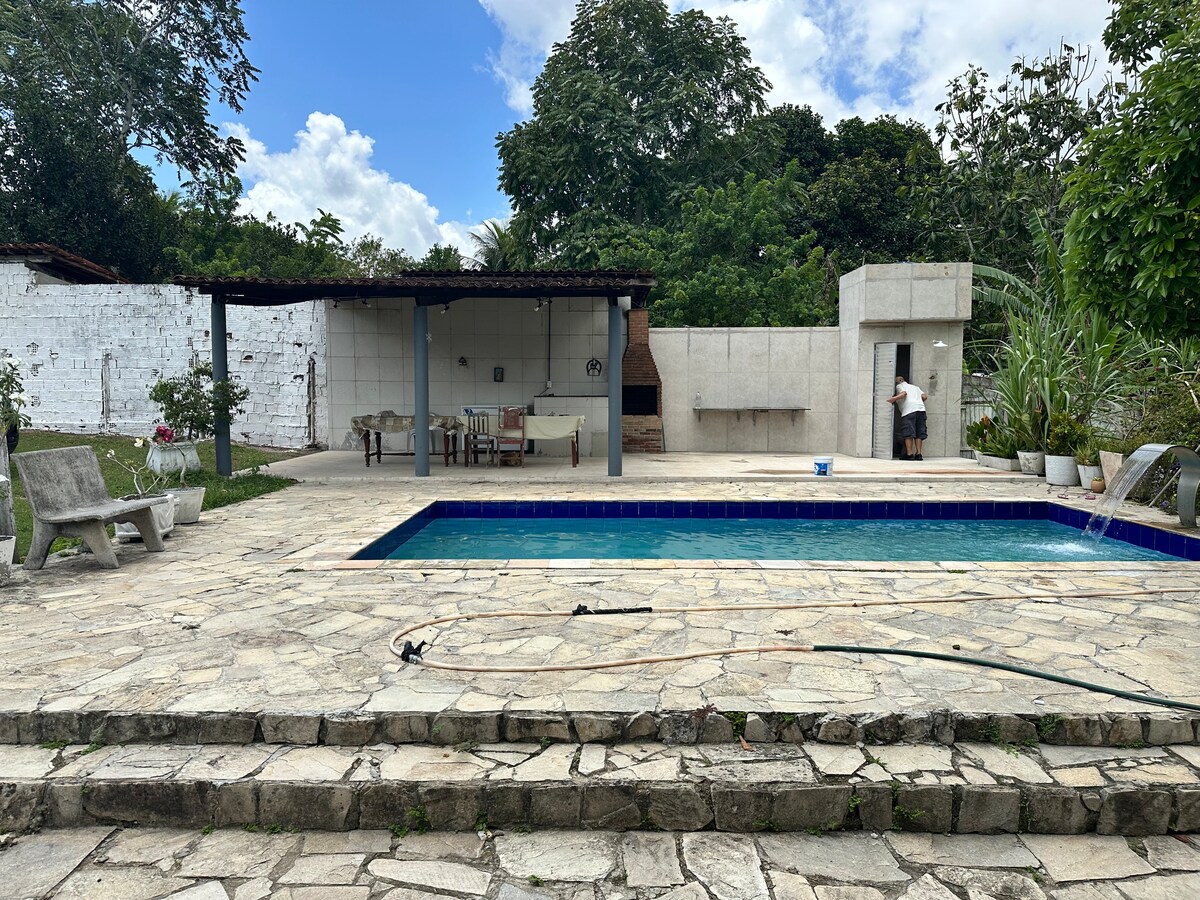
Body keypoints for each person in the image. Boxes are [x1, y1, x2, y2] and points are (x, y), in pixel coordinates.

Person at [887, 375, 928, 460]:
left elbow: (904, 394)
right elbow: (924, 397)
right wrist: (916, 401)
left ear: (898, 381)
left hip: (909, 411)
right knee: (919, 432)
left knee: (908, 432)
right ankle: (918, 454)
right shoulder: (915, 387)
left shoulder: (899, 386)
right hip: (921, 410)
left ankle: (909, 454)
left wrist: (893, 399)